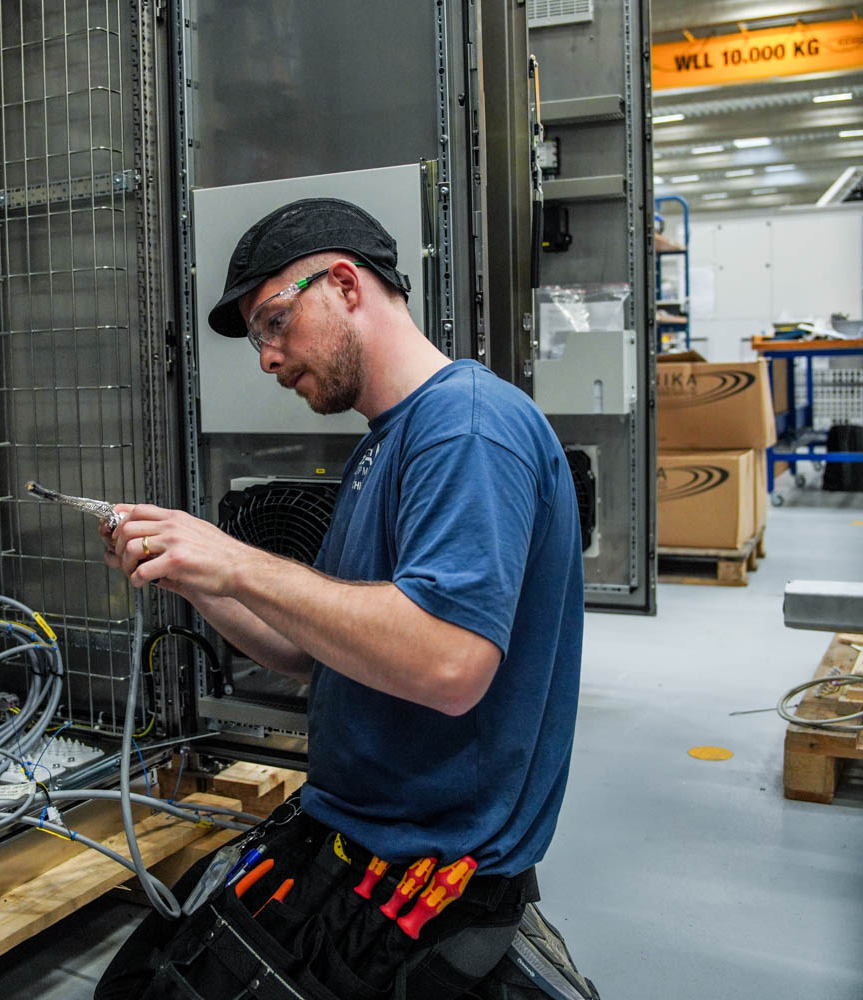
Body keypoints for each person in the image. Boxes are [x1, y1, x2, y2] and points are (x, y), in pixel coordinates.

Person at [92, 198, 596, 999]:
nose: (267, 357)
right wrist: (192, 574)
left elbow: (447, 663)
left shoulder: (465, 430)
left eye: (274, 323)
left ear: (343, 283)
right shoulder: (387, 443)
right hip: (349, 834)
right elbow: (312, 649)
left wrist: (236, 564)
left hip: (427, 872)